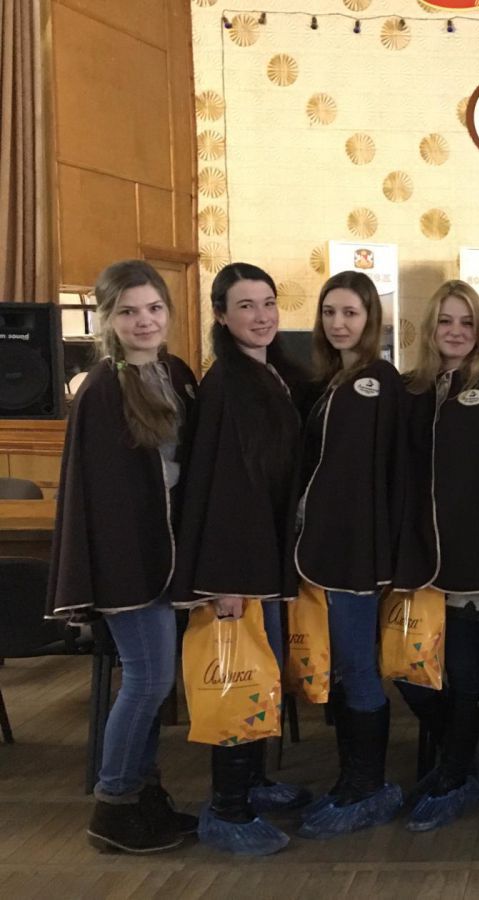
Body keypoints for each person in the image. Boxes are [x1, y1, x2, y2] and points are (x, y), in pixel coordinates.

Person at [47, 260, 197, 853]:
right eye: (129, 311)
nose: (144, 321)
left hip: (165, 558)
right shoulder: (102, 390)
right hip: (127, 565)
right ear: (108, 319)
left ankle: (143, 795)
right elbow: (99, 496)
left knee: (155, 686)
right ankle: (112, 806)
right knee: (147, 680)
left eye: (154, 308)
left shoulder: (174, 373)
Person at [172, 262, 311, 855]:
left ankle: (252, 782)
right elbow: (221, 486)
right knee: (238, 678)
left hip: (264, 560)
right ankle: (227, 808)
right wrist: (224, 582)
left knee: (262, 672)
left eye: (268, 303)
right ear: (221, 316)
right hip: (237, 568)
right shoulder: (226, 385)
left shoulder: (271, 373)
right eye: (246, 306)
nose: (262, 316)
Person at [391, 280, 479, 832]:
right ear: (430, 327)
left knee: (465, 670)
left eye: (467, 322)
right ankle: (458, 755)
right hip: (415, 560)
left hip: (474, 557)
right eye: (446, 321)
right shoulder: (410, 389)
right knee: (406, 670)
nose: (456, 332)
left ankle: (454, 772)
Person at [292, 271, 405, 839]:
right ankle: (351, 780)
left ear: (371, 320)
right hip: (325, 553)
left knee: (359, 666)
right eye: (330, 312)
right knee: (340, 665)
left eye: (351, 313)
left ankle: (368, 787)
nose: (339, 323)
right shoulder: (332, 380)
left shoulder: (377, 381)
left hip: (356, 555)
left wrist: (381, 555)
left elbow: (381, 473)